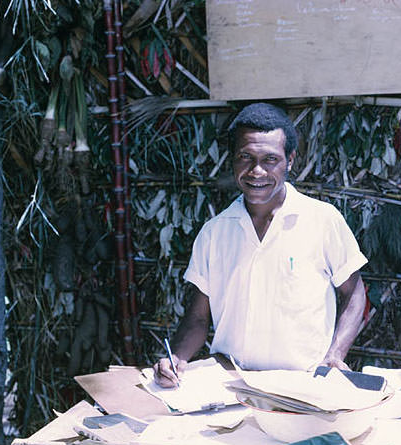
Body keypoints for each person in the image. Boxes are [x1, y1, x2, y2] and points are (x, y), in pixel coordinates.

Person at [154, 103, 367, 386]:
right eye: (246, 157)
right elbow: (197, 318)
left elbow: (355, 294)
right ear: (233, 159)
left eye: (270, 160)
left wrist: (335, 355)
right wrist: (177, 358)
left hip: (303, 387)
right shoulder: (215, 233)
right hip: (230, 386)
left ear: (290, 160)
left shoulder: (322, 221)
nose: (257, 171)